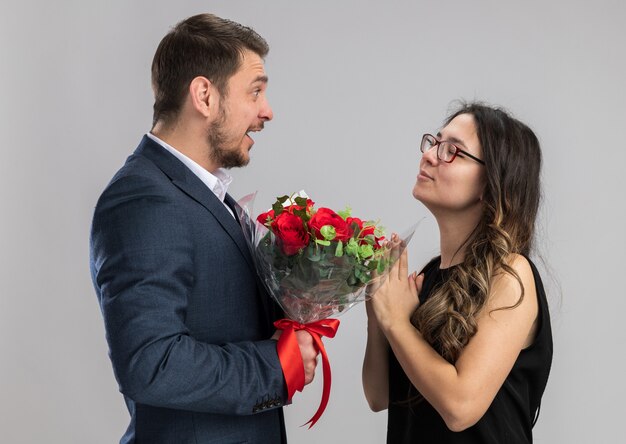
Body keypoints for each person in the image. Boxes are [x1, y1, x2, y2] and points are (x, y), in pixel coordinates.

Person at [89, 13, 317, 444]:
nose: (266, 111)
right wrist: (275, 366)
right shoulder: (144, 198)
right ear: (204, 96)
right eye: (255, 91)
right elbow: (150, 362)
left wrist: (307, 302)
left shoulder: (206, 196)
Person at [362, 102, 553, 443]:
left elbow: (460, 407)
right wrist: (378, 308)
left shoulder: (510, 274)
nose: (431, 155)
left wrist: (396, 321)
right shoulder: (428, 275)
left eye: (453, 151)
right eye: (434, 143)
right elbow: (379, 396)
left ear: (491, 183)